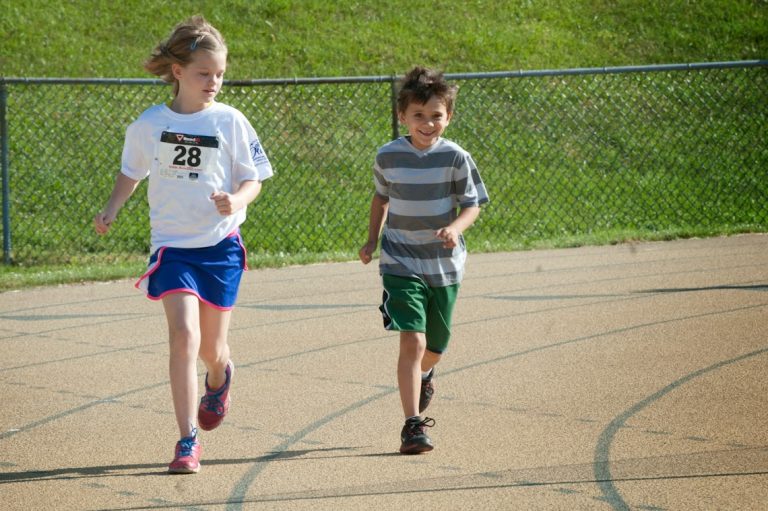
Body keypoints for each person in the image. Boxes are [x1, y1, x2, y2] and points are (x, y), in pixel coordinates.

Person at [93, 16, 273, 474]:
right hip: (172, 247)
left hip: (219, 246)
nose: (213, 82)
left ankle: (219, 378)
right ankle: (186, 440)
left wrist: (235, 199)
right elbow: (132, 171)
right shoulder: (151, 124)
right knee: (183, 336)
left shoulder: (230, 121)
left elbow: (255, 179)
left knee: (212, 349)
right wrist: (113, 207)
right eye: (203, 73)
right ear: (177, 72)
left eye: (219, 74)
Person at [359, 66, 490, 454]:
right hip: (400, 259)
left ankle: (428, 373)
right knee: (412, 341)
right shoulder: (388, 156)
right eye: (419, 115)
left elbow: (472, 204)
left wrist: (456, 228)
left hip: (444, 264)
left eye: (436, 115)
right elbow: (381, 199)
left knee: (436, 345)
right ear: (403, 116)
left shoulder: (456, 158)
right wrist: (371, 240)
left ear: (448, 116)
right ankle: (412, 425)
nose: (428, 123)